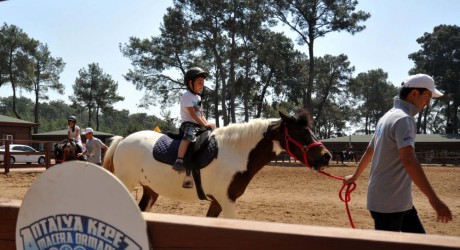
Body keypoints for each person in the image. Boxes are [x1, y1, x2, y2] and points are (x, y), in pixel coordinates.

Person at [344, 74, 452, 233]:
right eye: (427, 96)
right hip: (391, 204)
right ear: (414, 93)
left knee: (419, 242)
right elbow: (408, 159)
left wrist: (354, 176)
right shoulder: (404, 119)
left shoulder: (386, 117)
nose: (428, 102)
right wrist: (434, 200)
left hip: (393, 201)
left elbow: (370, 150)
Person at [173, 67, 216, 176]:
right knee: (189, 136)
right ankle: (179, 159)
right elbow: (192, 114)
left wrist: (207, 124)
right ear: (190, 82)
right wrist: (204, 124)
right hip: (188, 124)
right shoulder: (187, 96)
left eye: (203, 83)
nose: (202, 85)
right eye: (199, 82)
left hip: (198, 123)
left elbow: (200, 113)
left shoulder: (197, 98)